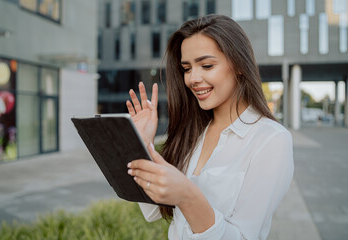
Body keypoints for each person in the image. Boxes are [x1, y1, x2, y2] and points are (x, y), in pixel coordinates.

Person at [126, 14, 294, 240]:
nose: (193, 79)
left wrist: (188, 196)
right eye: (187, 68)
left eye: (206, 65)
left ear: (239, 66)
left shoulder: (271, 140)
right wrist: (143, 143)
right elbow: (155, 210)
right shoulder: (193, 132)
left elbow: (243, 237)